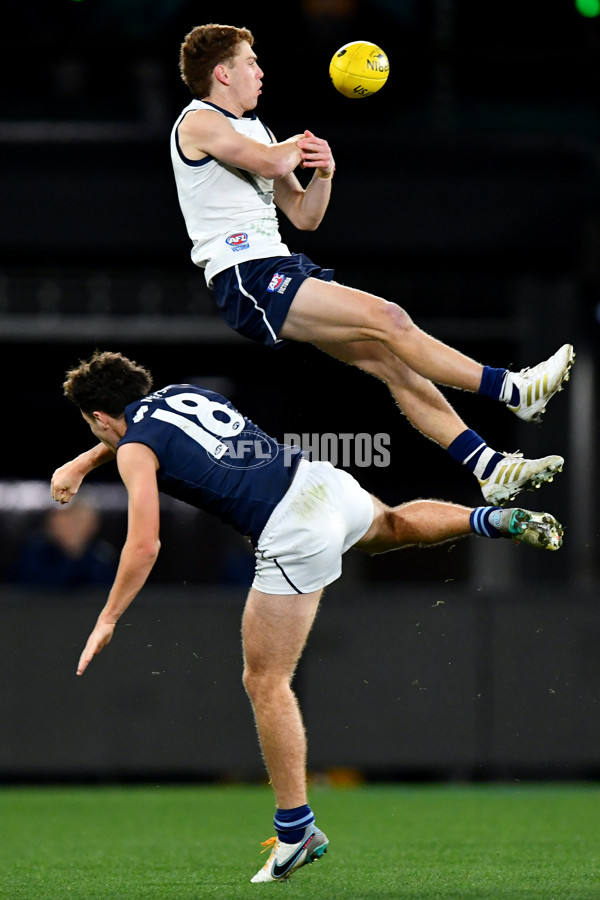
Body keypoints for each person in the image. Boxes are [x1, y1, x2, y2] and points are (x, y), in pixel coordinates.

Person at [52, 350, 563, 884]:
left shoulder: (133, 446)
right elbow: (141, 434)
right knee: (389, 527)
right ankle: (494, 516)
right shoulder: (181, 395)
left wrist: (108, 617)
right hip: (322, 482)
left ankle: (296, 832)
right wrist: (83, 463)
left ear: (98, 418)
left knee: (265, 680)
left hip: (291, 529)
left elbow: (144, 544)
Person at [168, 23, 575, 508]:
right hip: (247, 276)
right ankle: (513, 389)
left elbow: (304, 215)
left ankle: (489, 468)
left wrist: (324, 172)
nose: (260, 71)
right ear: (222, 73)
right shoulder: (198, 122)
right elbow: (271, 164)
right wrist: (296, 147)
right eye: (250, 62)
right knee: (390, 318)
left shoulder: (260, 130)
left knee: (393, 361)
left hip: (277, 265)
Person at [7, 496, 117, 588]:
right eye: (66, 516)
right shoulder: (33, 552)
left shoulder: (103, 555)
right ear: (52, 520)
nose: (72, 525)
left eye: (78, 519)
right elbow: (31, 588)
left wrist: (76, 552)